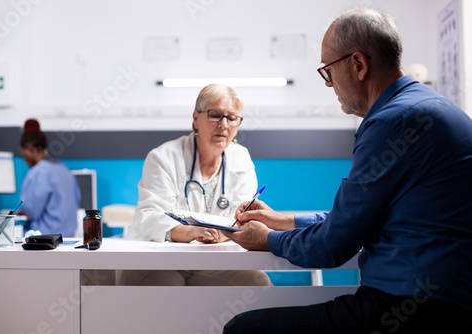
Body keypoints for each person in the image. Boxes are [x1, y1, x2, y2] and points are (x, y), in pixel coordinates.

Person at [222, 7, 472, 334]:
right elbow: (362, 220)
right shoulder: (429, 107)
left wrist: (268, 240)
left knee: (243, 328)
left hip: (409, 309)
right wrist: (284, 221)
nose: (329, 84)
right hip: (445, 302)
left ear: (358, 65)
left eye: (328, 71)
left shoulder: (391, 123)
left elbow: (333, 246)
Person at [122, 83, 271, 286]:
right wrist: (189, 231)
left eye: (232, 118)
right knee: (168, 289)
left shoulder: (241, 159)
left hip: (212, 261)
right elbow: (149, 215)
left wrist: (222, 232)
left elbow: (241, 219)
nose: (224, 125)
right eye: (215, 115)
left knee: (257, 283)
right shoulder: (164, 157)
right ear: (195, 118)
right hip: (160, 259)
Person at [19, 119, 81, 237]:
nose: (24, 158)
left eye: (23, 153)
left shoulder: (37, 173)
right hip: (68, 238)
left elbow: (31, 211)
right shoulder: (64, 170)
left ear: (29, 149)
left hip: (45, 239)